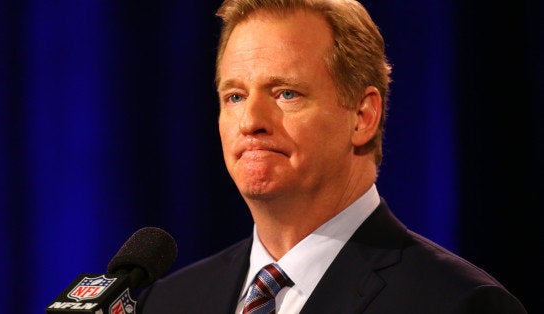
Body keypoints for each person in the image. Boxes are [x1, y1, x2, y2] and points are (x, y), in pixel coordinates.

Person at [136, 0, 527, 313]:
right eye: (235, 96)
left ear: (362, 116)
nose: (251, 121)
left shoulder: (459, 303)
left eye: (286, 93)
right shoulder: (170, 302)